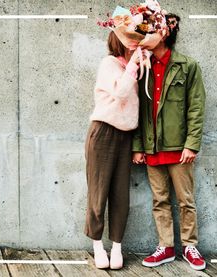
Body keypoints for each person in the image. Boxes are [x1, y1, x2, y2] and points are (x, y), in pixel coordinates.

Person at [132, 13, 207, 271]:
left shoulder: (188, 66)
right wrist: (138, 146)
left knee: (186, 200)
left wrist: (192, 143)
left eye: (148, 32)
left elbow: (196, 107)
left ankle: (189, 246)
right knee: (159, 200)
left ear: (163, 33)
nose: (143, 37)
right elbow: (138, 109)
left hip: (179, 148)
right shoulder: (143, 66)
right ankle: (166, 246)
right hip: (152, 146)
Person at [84, 31, 144, 270]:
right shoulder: (109, 64)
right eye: (128, 36)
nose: (133, 40)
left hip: (125, 136)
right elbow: (119, 92)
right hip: (103, 133)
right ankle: (97, 245)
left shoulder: (136, 67)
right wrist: (133, 65)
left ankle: (117, 246)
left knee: (121, 196)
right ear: (117, 39)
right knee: (98, 194)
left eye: (136, 36)